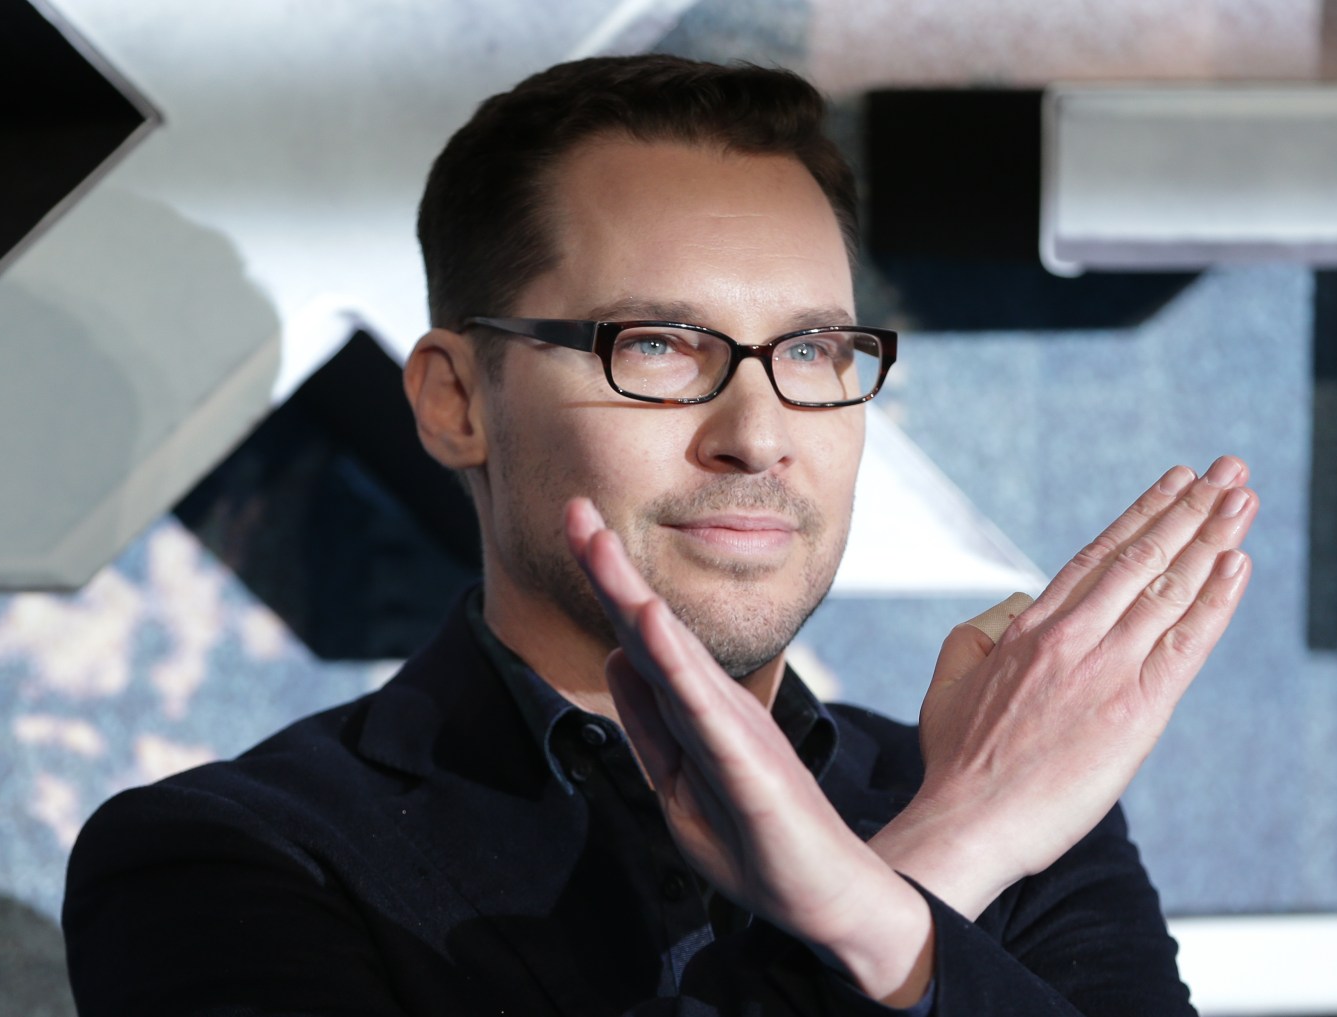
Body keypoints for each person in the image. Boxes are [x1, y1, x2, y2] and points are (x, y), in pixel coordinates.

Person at [62, 54, 1257, 1015]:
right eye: (659, 348)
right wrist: (931, 868)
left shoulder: (1012, 797)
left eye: (812, 351)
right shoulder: (237, 858)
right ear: (456, 401)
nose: (758, 436)